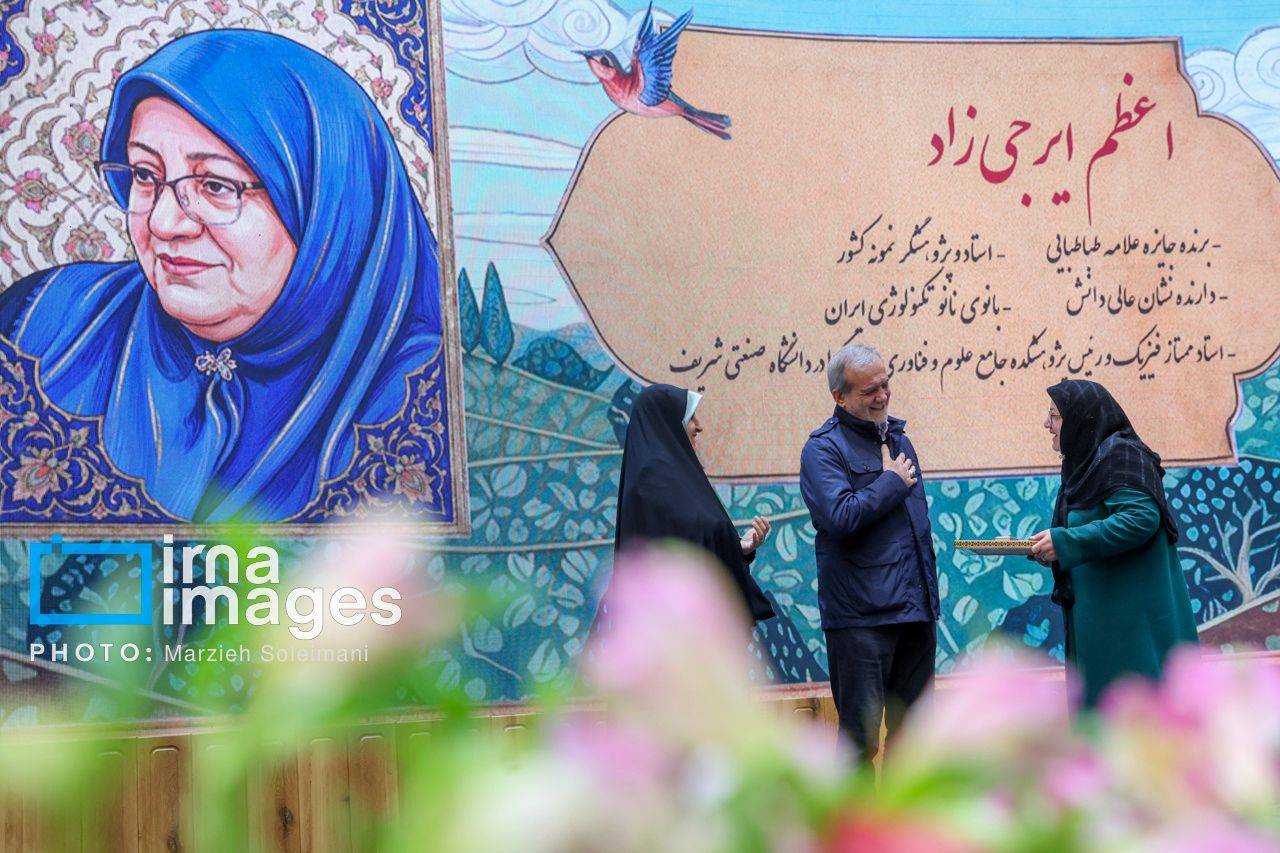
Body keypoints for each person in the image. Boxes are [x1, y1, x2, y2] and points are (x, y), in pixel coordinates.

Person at [0, 30, 442, 522]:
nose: (164, 223)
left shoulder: (422, 392)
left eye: (215, 185)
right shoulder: (45, 319)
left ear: (328, 210)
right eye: (145, 175)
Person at [799, 343, 939, 765]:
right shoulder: (822, 449)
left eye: (885, 384)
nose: (883, 396)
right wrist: (890, 482)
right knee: (859, 744)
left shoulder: (899, 440)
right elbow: (840, 516)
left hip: (914, 612)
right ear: (839, 397)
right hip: (861, 620)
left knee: (915, 742)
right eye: (869, 391)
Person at [1029, 380, 1199, 709]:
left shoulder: (1121, 455)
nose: (1046, 424)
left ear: (1082, 420)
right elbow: (1088, 529)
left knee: (1139, 727)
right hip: (1105, 629)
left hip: (1132, 631)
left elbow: (1141, 518)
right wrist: (1050, 548)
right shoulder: (1087, 464)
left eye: (1054, 415)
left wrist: (1065, 542)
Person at [610, 384, 775, 624]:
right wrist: (731, 545)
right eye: (690, 417)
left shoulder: (675, 477)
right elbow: (680, 550)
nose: (699, 425)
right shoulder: (653, 482)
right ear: (667, 423)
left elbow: (692, 540)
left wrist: (739, 548)